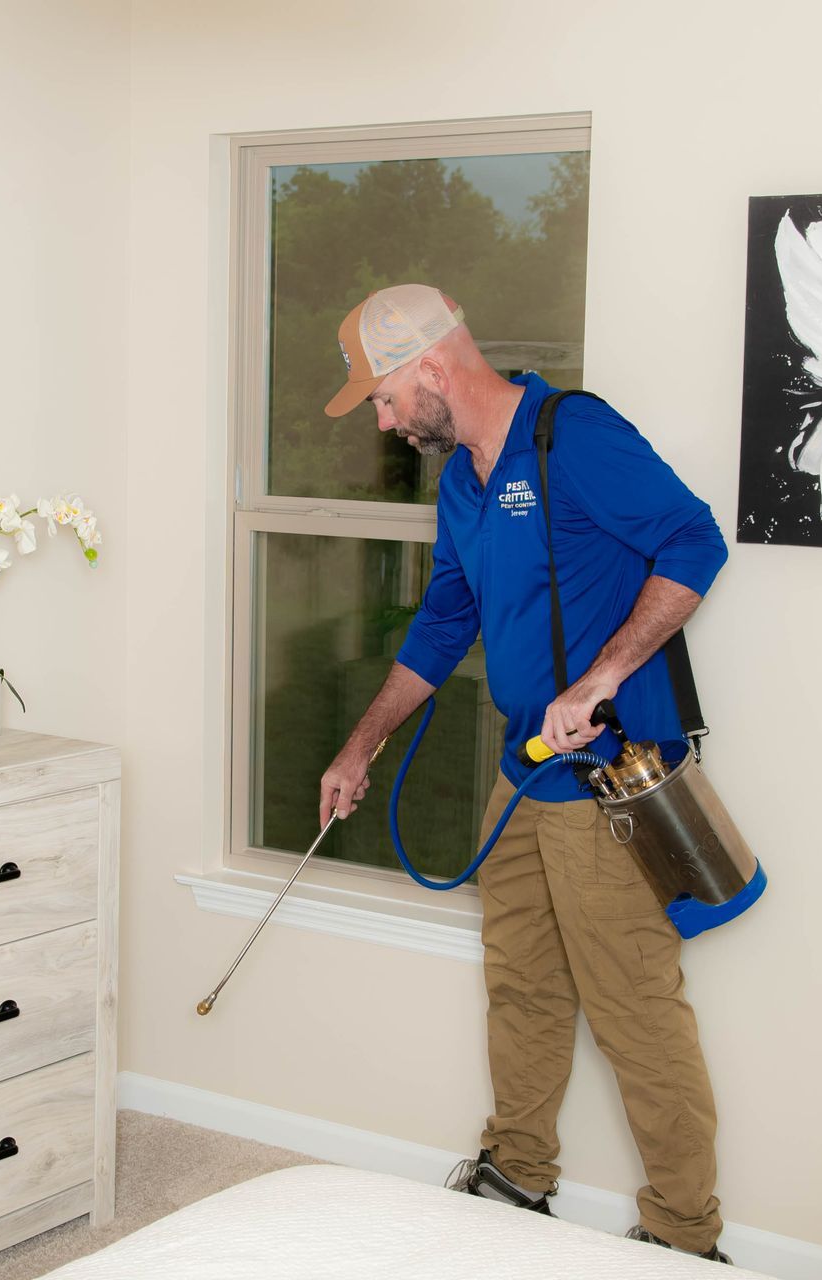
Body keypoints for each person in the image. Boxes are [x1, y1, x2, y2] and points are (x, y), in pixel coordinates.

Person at [316, 284, 733, 1262]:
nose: (380, 418)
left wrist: (602, 675)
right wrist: (361, 742)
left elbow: (694, 540)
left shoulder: (571, 433)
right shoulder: (463, 480)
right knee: (522, 987)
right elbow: (443, 622)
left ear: (428, 365)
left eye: (379, 397)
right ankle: (517, 1175)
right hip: (523, 773)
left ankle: (684, 1237)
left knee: (635, 1010)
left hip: (608, 772)